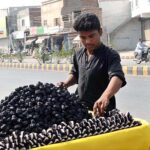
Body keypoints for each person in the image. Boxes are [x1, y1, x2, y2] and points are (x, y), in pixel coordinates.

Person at [57, 13, 126, 116]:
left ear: (100, 32)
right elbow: (75, 74)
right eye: (83, 38)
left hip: (102, 111)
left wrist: (105, 96)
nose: (88, 41)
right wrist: (65, 83)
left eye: (91, 36)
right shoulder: (78, 54)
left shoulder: (110, 55)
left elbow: (117, 77)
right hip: (80, 110)